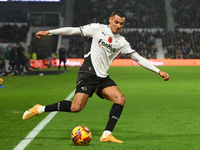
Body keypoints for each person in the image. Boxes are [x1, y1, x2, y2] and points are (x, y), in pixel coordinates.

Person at [22, 10, 169, 143]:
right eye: (116, 22)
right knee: (76, 107)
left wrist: (158, 71)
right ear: (110, 19)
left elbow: (139, 58)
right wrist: (49, 32)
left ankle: (106, 135)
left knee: (120, 99)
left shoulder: (121, 42)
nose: (118, 26)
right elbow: (73, 31)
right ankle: (39, 109)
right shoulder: (98, 28)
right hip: (88, 72)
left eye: (121, 24)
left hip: (102, 77)